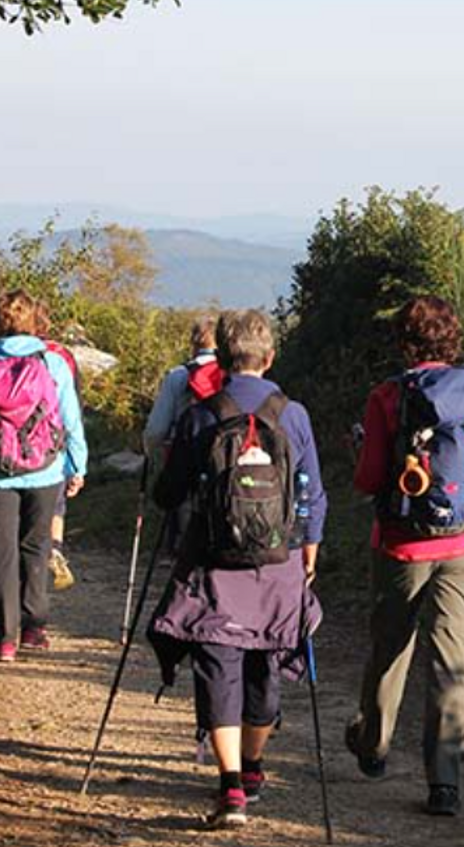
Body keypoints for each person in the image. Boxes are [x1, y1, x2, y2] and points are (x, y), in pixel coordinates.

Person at [148, 308, 326, 829]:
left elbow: (170, 492)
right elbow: (312, 491)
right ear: (270, 358)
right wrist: (309, 547)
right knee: (266, 659)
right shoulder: (294, 415)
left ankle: (229, 787)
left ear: (222, 360)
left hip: (214, 562)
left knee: (217, 662)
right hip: (280, 560)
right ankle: (251, 767)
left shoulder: (201, 413)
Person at [344, 295, 464, 817]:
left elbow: (368, 480)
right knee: (452, 661)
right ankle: (445, 784)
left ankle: (374, 748)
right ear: (452, 337)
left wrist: (361, 448)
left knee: (391, 646)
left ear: (404, 342)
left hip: (402, 543)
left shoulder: (388, 396)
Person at [0, 289, 88, 662]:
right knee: (37, 545)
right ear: (34, 320)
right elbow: (71, 422)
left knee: (1, 552)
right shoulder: (53, 363)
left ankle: (5, 639)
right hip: (46, 470)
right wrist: (78, 466)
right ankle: (34, 627)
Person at [35, 301, 81, 591]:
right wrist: (78, 465)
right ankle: (55, 549)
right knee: (57, 505)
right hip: (54, 449)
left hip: (9, 451)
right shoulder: (61, 357)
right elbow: (72, 413)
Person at [142, 314, 221, 461]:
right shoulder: (232, 375)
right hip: (223, 458)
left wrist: (150, 452)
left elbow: (156, 430)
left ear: (193, 342)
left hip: (184, 458)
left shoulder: (178, 375)